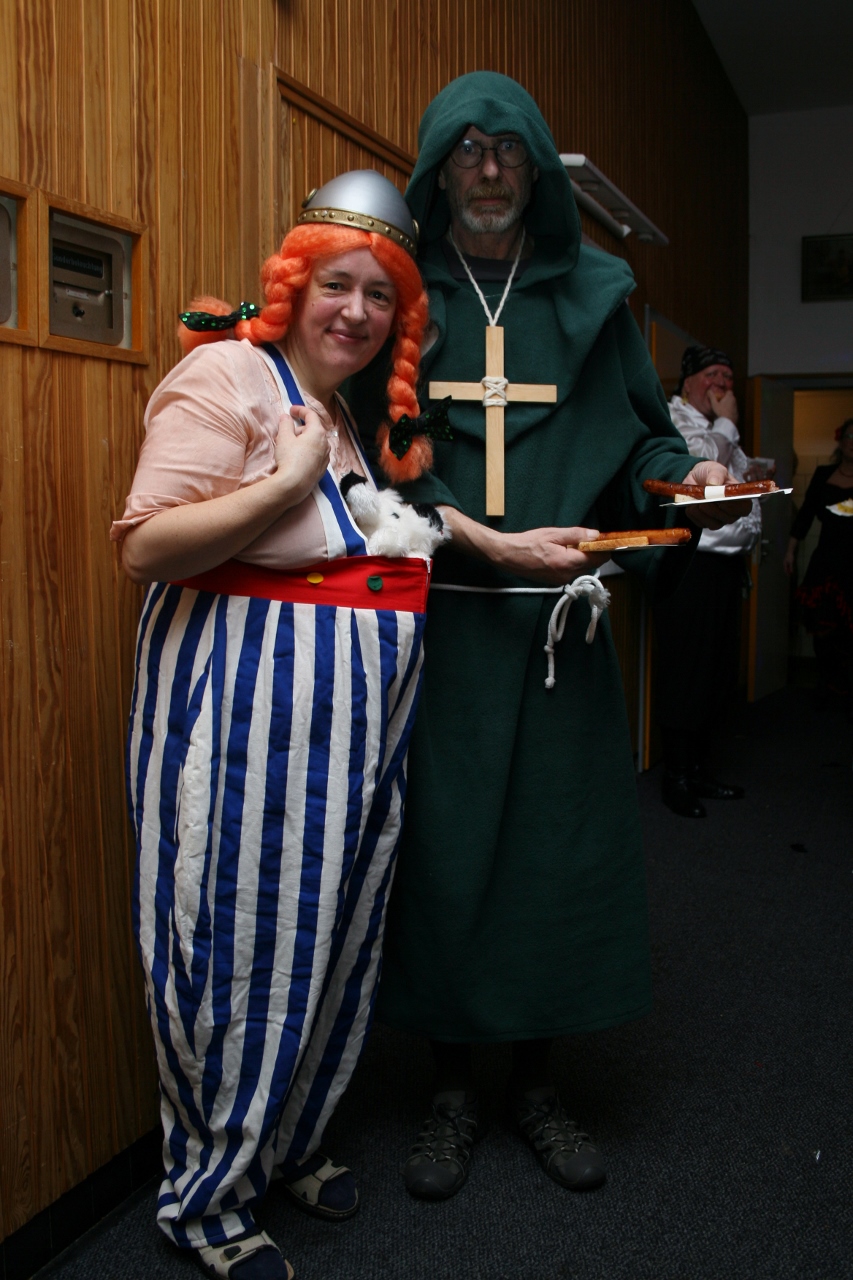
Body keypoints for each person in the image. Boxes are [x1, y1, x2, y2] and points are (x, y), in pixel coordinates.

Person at [349, 72, 750, 1201]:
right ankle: (450, 1087)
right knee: (446, 856)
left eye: (508, 150)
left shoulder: (594, 295)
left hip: (559, 636)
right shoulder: (394, 295)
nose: (487, 170)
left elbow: (640, 443)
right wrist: (476, 541)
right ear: (438, 171)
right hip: (441, 630)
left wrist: (686, 475)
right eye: (467, 150)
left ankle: (534, 1080)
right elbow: (370, 460)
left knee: (551, 858)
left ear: (534, 168)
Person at [111, 172, 431, 1280]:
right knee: (233, 946)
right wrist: (287, 478)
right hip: (240, 728)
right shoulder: (228, 374)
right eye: (337, 284)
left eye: (379, 295)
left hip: (338, 743)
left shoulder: (336, 411)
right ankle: (206, 1200)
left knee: (322, 940)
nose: (356, 310)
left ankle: (282, 1143)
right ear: (293, 283)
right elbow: (148, 544)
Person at [652, 345, 762, 818]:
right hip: (691, 564)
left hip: (725, 568)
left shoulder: (718, 426)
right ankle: (675, 777)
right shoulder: (676, 419)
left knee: (716, 671)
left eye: (728, 378)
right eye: (713, 375)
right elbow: (698, 468)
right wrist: (728, 424)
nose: (722, 385)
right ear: (689, 381)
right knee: (687, 669)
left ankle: (699, 770)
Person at [784, 417, 853, 709]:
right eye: (850, 437)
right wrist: (790, 550)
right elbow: (806, 513)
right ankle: (827, 685)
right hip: (826, 560)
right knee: (823, 628)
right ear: (840, 441)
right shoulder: (824, 474)